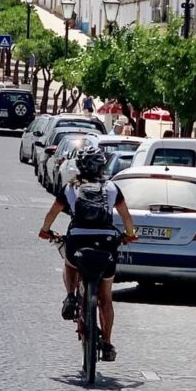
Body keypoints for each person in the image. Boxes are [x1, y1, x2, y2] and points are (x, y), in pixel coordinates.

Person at [38, 141, 138, 362]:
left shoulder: (71, 189)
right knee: (106, 299)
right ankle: (108, 343)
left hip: (78, 240)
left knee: (70, 262)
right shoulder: (112, 189)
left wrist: (45, 231)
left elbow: (52, 213)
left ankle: (71, 296)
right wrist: (130, 234)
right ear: (103, 168)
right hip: (106, 243)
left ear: (79, 167)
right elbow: (126, 219)